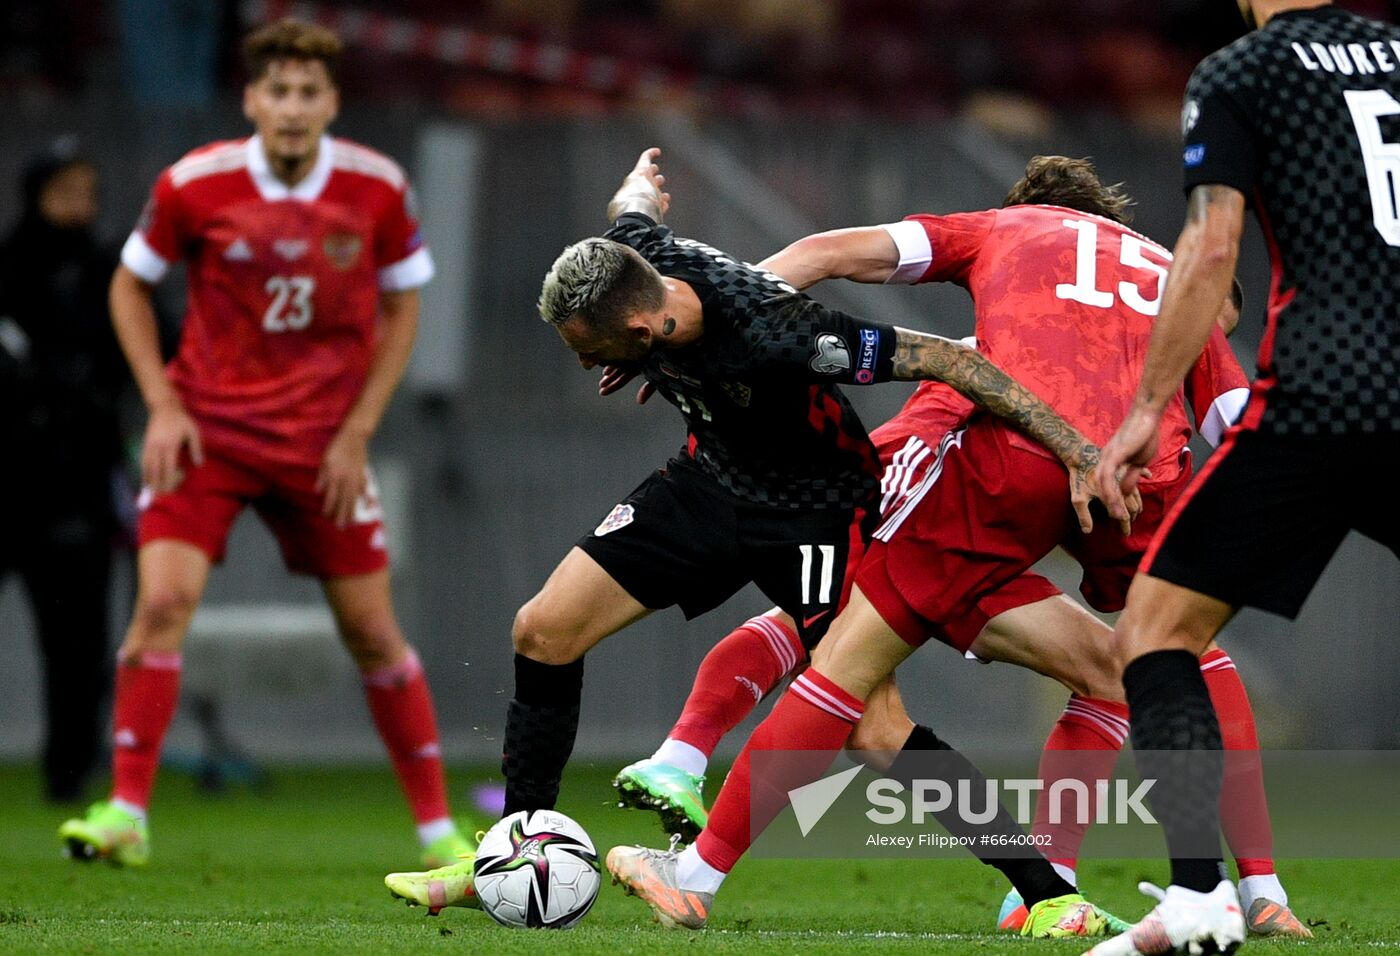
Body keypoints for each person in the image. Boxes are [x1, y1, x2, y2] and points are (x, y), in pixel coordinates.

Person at [383, 147, 1120, 937]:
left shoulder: (781, 332)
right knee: (544, 628)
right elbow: (631, 207)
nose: (583, 361)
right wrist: (641, 177)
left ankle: (1046, 893)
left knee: (873, 730)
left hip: (813, 511)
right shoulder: (642, 264)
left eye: (586, 347)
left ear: (642, 324)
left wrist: (1077, 451)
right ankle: (518, 843)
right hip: (708, 485)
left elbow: (947, 360)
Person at [601, 155, 1297, 933]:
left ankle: (694, 848)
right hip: (1134, 480)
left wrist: (707, 338)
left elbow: (828, 255)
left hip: (977, 487)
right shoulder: (1169, 285)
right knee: (1157, 657)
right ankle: (1214, 890)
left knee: (836, 672)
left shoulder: (1009, 263)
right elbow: (1238, 419)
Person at [57, 18, 473, 869]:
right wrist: (163, 405)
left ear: (332, 102)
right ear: (250, 99)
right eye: (276, 91)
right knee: (162, 607)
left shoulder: (379, 189)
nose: (291, 108)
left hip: (323, 445)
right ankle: (125, 815)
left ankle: (438, 834)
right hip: (208, 435)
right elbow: (128, 288)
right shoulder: (193, 184)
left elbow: (404, 308)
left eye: (308, 92)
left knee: (370, 629)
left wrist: (358, 430)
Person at [1087, 1, 1400, 952]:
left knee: (1154, 629)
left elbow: (1212, 244)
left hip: (1324, 397)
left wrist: (1147, 408)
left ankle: (1197, 898)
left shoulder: (1243, 71)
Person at [0, 139, 130, 803]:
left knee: (78, 643)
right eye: (65, 192)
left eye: (89, 191)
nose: (80, 206)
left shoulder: (111, 272)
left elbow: (154, 347)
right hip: (7, 480)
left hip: (76, 484)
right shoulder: (7, 268)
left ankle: (70, 772)